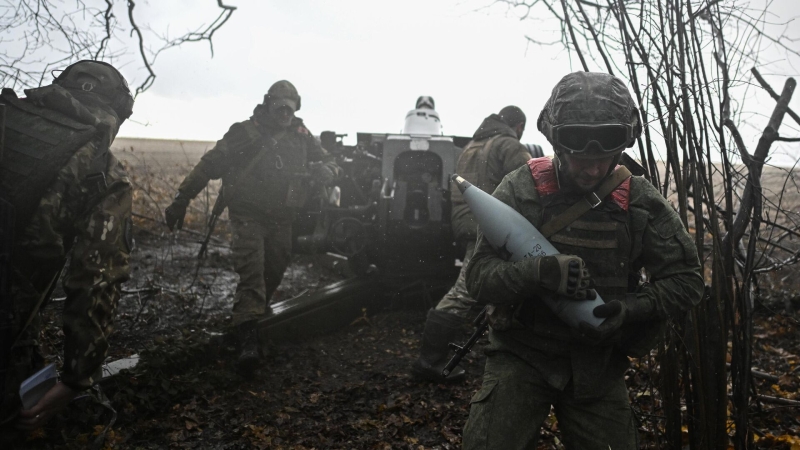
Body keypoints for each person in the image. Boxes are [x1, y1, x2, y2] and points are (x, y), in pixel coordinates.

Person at [461, 72, 705, 449]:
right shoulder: (521, 189)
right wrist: (540, 272)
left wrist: (629, 308)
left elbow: (687, 280)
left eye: (604, 157)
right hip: (523, 356)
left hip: (597, 366)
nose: (592, 170)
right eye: (579, 157)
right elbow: (477, 279)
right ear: (556, 143)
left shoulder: (637, 201)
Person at [164, 80, 340, 373]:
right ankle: (247, 339)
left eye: (290, 108)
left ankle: (254, 313)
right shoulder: (244, 133)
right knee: (252, 271)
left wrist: (327, 171)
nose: (285, 113)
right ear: (268, 103)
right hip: (248, 215)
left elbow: (331, 162)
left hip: (283, 217)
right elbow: (208, 166)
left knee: (277, 265)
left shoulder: (302, 135)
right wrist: (181, 201)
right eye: (280, 106)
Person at [0, 60, 134, 437]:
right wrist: (76, 378)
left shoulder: (5, 114)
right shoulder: (100, 170)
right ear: (118, 113)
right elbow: (96, 282)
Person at [411, 106, 533, 382]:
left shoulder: (471, 147)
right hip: (493, 228)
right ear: (518, 126)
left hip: (467, 224)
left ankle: (497, 348)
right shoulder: (508, 144)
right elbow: (531, 184)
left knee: (490, 286)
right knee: (466, 290)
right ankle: (429, 361)